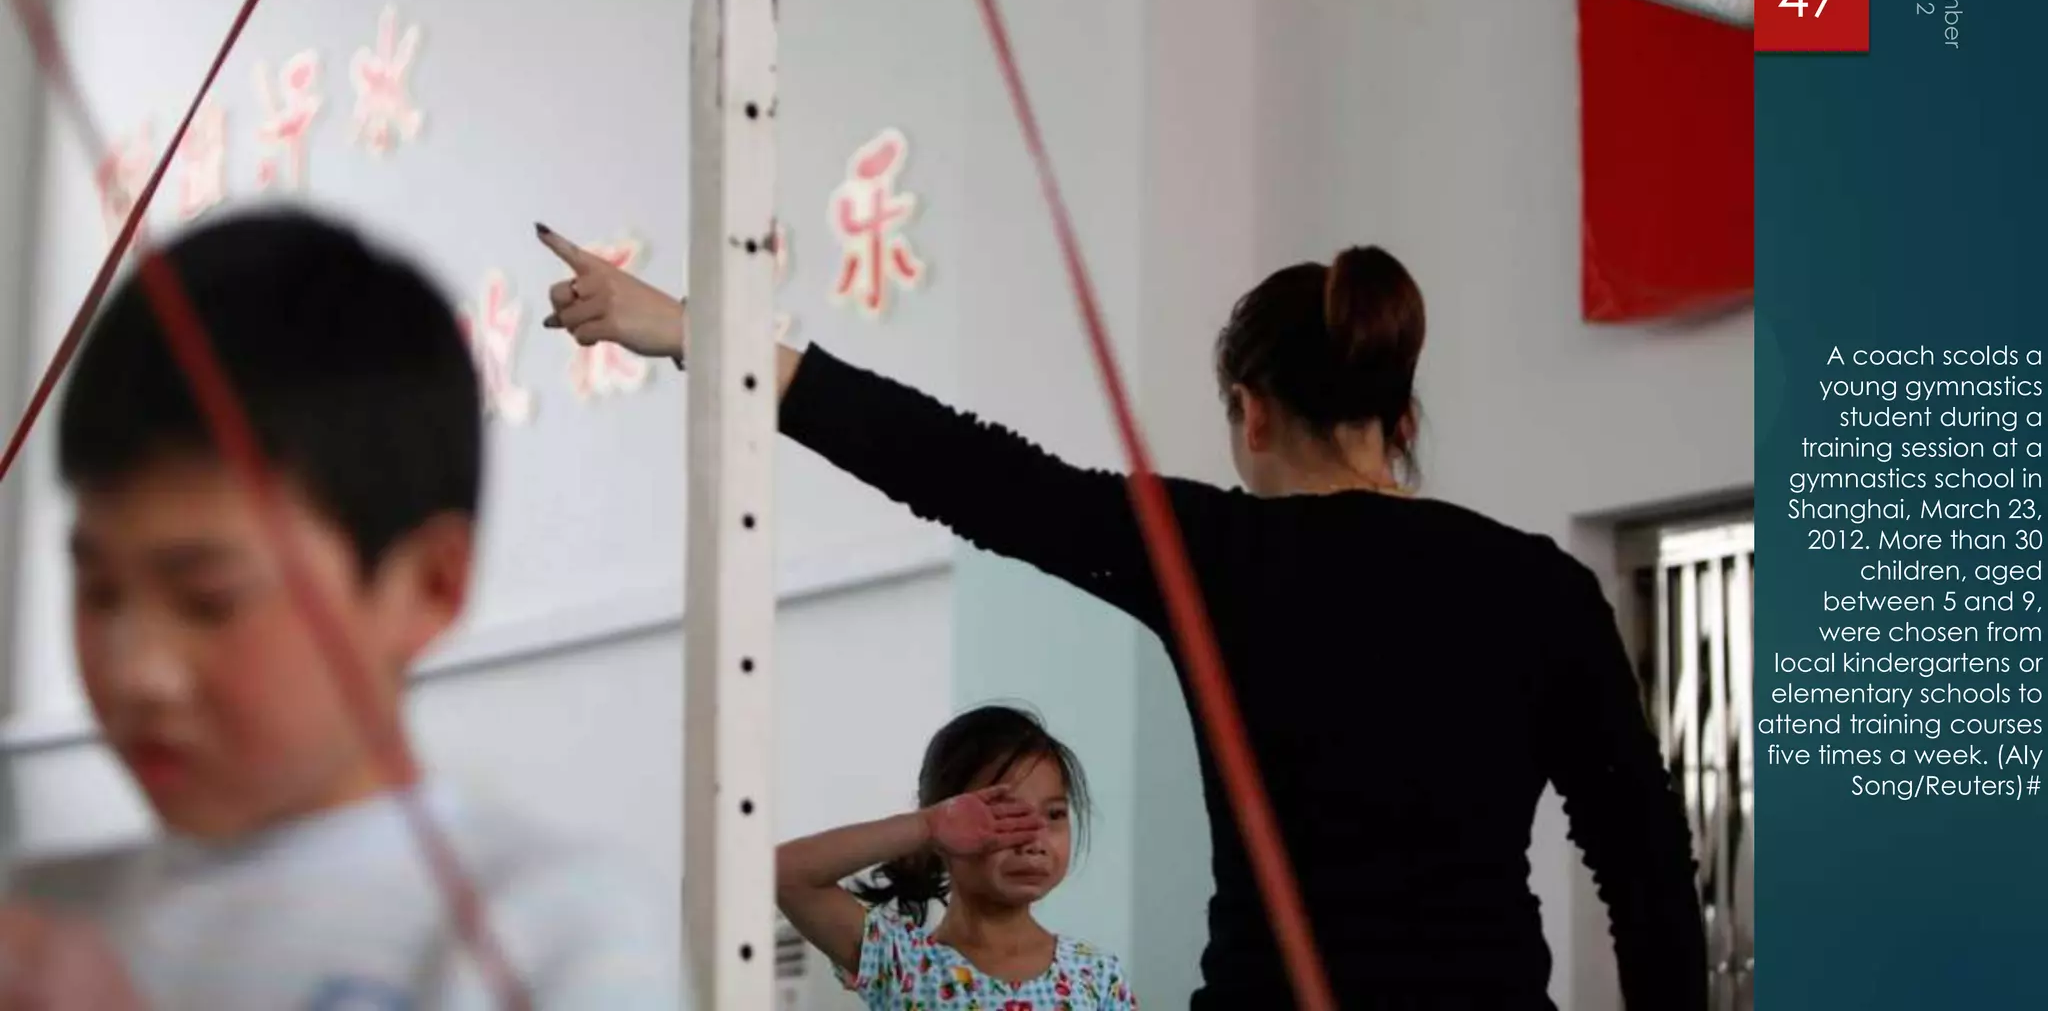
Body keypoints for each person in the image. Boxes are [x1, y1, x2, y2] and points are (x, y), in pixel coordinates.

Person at [538, 224, 1708, 1008]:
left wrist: (695, 330)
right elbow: (1646, 872)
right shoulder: (1539, 584)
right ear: (1400, 411)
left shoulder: (1225, 552)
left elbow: (964, 469)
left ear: (1248, 414)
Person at [0, 211, 680, 1009]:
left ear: (430, 585)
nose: (137, 670)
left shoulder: (556, 929)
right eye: (100, 591)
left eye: (209, 600)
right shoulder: (35, 920)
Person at [775, 705, 1137, 1010]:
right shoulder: (903, 964)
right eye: (1005, 815)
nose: (1034, 840)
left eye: (1055, 814)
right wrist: (926, 826)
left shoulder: (1096, 975)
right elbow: (785, 872)